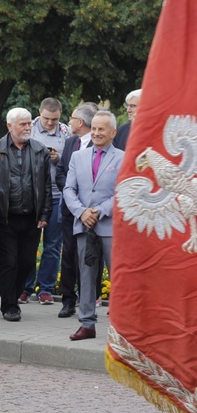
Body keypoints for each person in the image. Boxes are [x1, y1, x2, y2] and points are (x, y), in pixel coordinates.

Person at [63, 111, 124, 340]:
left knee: (117, 276)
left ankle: (120, 327)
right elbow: (68, 190)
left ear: (113, 132)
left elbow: (124, 192)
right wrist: (81, 212)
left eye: (102, 129)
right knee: (86, 276)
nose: (97, 133)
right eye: (95, 128)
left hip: (110, 226)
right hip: (84, 225)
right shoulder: (78, 157)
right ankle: (87, 324)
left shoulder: (122, 158)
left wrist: (100, 211)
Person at [0, 108, 52, 322]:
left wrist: (44, 213)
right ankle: (9, 305)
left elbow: (46, 186)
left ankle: (12, 298)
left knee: (26, 263)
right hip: (5, 217)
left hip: (31, 218)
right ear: (9, 126)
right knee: (9, 262)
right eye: (23, 124)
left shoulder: (39, 150)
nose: (27, 128)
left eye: (29, 124)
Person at [20, 97, 69, 305]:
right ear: (39, 113)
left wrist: (59, 159)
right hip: (33, 197)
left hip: (57, 196)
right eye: (47, 119)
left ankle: (46, 289)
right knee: (29, 244)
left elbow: (71, 162)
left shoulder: (67, 133)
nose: (50, 123)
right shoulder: (28, 129)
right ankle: (24, 287)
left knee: (52, 246)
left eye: (55, 119)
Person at [56, 103, 97, 318]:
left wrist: (85, 202)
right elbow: (61, 172)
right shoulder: (71, 142)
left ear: (80, 122)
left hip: (93, 213)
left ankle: (88, 300)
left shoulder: (101, 144)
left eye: (71, 118)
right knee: (69, 255)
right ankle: (67, 300)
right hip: (70, 211)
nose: (69, 122)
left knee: (90, 257)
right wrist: (73, 198)